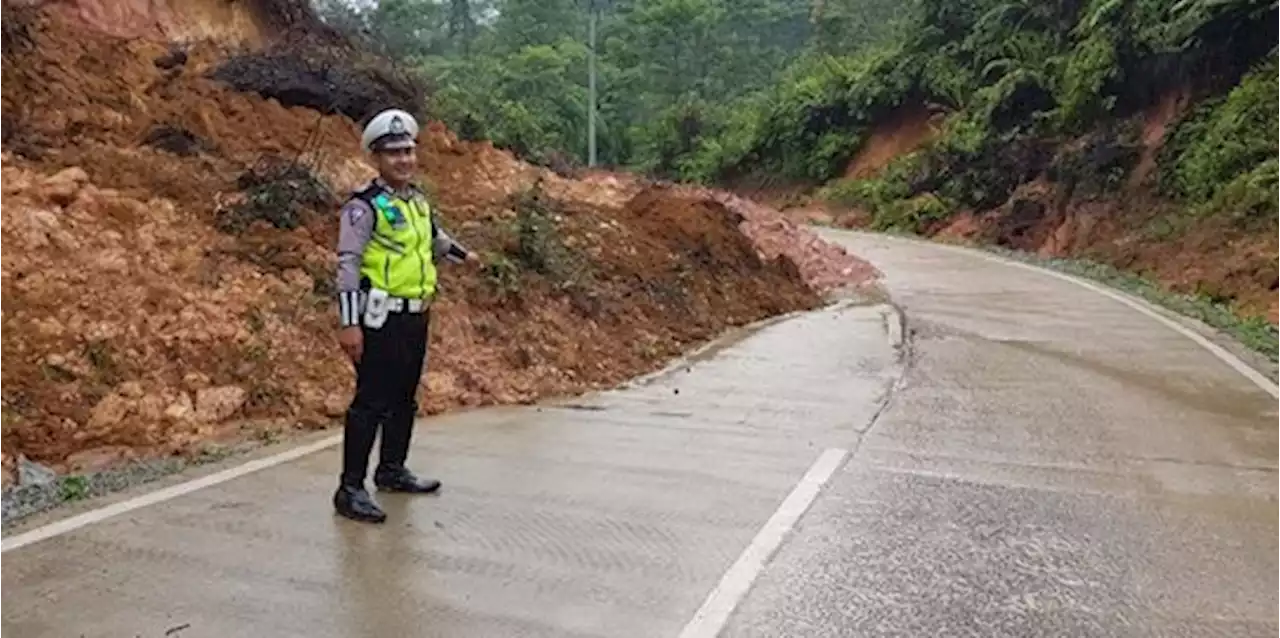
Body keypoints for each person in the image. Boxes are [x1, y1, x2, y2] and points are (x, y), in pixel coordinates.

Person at [332, 107, 481, 524]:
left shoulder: (417, 202)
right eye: (394, 153)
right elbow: (348, 264)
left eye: (409, 151)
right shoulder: (364, 208)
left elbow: (434, 240)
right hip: (378, 317)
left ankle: (392, 470)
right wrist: (349, 323)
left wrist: (464, 255)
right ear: (376, 159)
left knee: (404, 398)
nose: (404, 159)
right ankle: (349, 488)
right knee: (370, 403)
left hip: (415, 315)